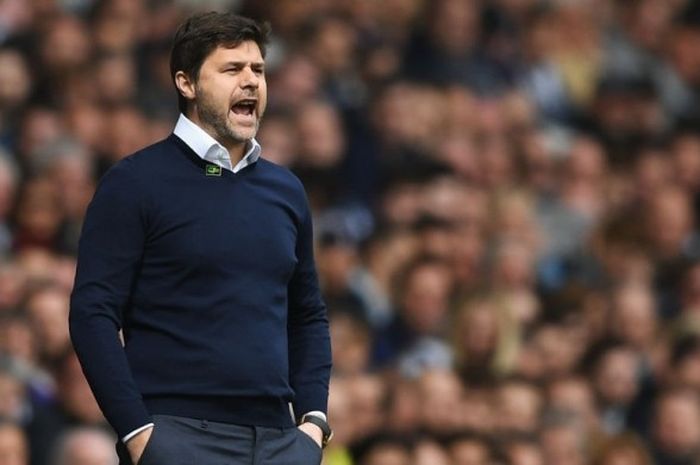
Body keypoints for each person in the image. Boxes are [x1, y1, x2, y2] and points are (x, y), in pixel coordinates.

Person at [68, 12, 332, 465]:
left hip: (281, 440)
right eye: (232, 70)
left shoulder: (286, 190)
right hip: (178, 434)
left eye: (258, 70)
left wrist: (313, 422)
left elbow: (307, 314)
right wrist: (137, 431)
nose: (251, 81)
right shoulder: (134, 182)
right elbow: (92, 312)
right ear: (186, 84)